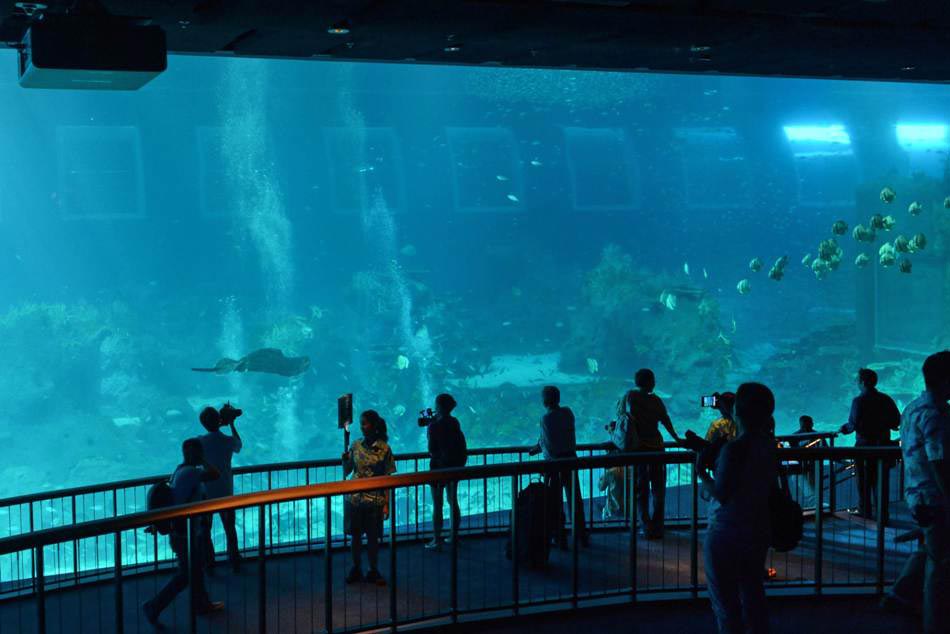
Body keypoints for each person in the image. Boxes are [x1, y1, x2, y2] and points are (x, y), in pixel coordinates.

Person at [698, 382, 777, 634]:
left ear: (737, 411)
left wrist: (701, 470)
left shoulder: (734, 448)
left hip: (726, 532)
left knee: (725, 605)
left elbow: (721, 493)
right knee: (753, 595)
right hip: (757, 529)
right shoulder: (768, 445)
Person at [895, 351, 950, 634]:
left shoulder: (912, 408)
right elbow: (938, 460)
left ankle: (899, 594)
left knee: (929, 547)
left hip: (915, 493)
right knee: (940, 566)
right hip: (935, 497)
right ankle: (935, 624)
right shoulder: (935, 414)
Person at [143, 439, 224, 626]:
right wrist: (203, 460)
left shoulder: (180, 470)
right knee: (186, 574)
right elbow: (215, 474)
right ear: (193, 454)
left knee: (195, 570)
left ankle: (202, 604)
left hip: (184, 530)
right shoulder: (192, 473)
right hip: (184, 533)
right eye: (199, 452)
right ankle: (154, 606)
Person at [614, 368, 681, 539]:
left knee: (640, 489)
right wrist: (676, 438)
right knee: (658, 488)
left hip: (638, 450)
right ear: (650, 381)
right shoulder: (656, 400)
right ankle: (658, 526)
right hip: (657, 449)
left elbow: (621, 419)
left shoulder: (629, 396)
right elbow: (665, 420)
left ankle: (645, 525)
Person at [838, 368, 901, 521]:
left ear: (864, 382)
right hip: (884, 447)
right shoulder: (886, 399)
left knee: (864, 481)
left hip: (864, 448)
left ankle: (864, 511)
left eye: (858, 380)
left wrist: (843, 429)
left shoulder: (858, 401)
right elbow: (896, 422)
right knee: (881, 482)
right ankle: (882, 514)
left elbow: (853, 425)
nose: (856, 383)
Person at [343, 410, 396, 585]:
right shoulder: (355, 445)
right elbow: (347, 471)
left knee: (373, 538)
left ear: (373, 425)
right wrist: (345, 460)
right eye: (360, 423)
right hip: (355, 499)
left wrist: (386, 504)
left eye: (364, 423)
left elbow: (388, 476)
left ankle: (373, 569)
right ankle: (356, 567)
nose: (361, 427)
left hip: (375, 500)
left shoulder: (384, 448)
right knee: (356, 537)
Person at [531, 385, 588, 548]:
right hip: (571, 459)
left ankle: (559, 536)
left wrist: (540, 451)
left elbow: (549, 443)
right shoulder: (568, 412)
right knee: (574, 498)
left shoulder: (545, 419)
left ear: (545, 400)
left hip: (555, 464)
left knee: (554, 501)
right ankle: (580, 534)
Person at [197, 404, 243, 572]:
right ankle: (235, 561)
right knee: (229, 527)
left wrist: (220, 422)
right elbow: (239, 445)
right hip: (225, 491)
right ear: (220, 420)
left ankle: (209, 563)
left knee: (205, 528)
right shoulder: (227, 441)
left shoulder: (200, 441)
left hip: (206, 492)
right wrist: (231, 423)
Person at [425, 393, 467, 550]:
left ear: (439, 407)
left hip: (438, 468)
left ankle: (437, 539)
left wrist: (429, 429)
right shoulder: (454, 422)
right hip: (453, 466)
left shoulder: (434, 426)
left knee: (437, 504)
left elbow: (431, 449)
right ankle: (453, 536)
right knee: (452, 500)